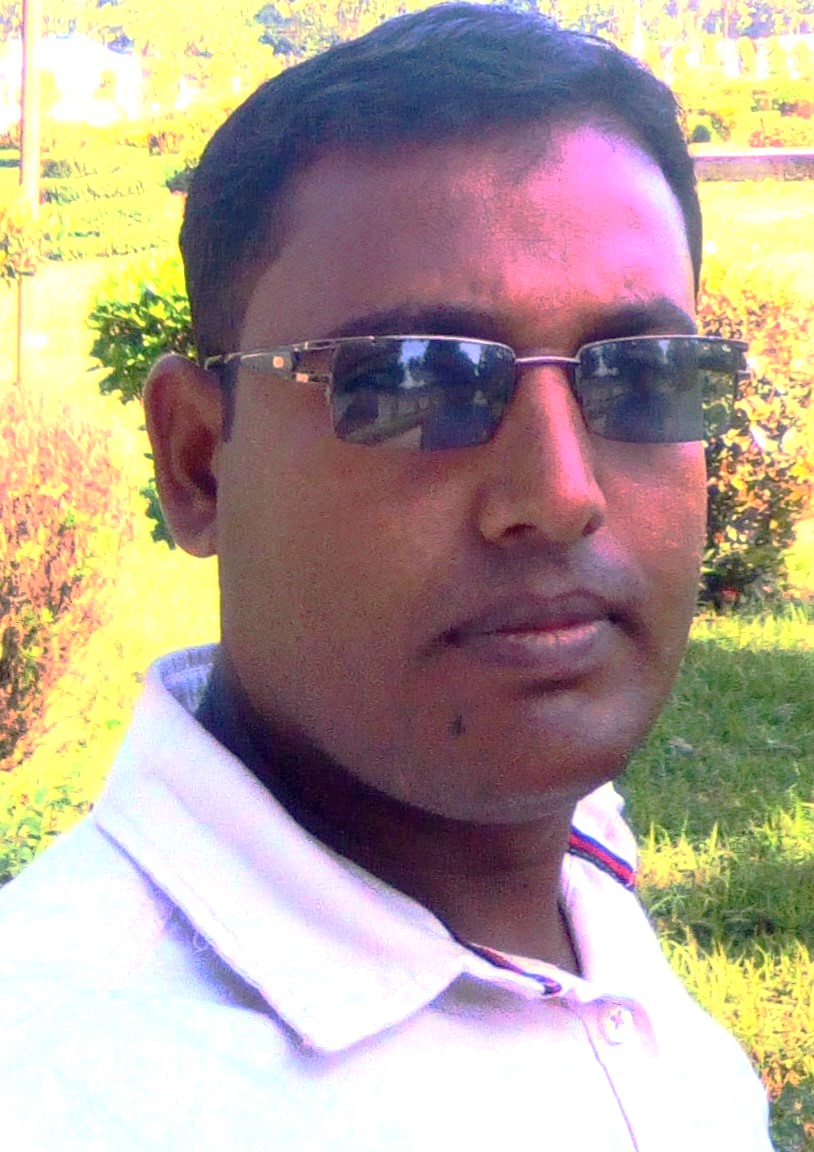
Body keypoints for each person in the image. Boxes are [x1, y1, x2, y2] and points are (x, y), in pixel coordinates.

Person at [0, 5, 771, 1149]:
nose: (561, 490)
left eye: (644, 374)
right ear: (197, 461)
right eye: (416, 380)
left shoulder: (581, 872)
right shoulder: (59, 1085)